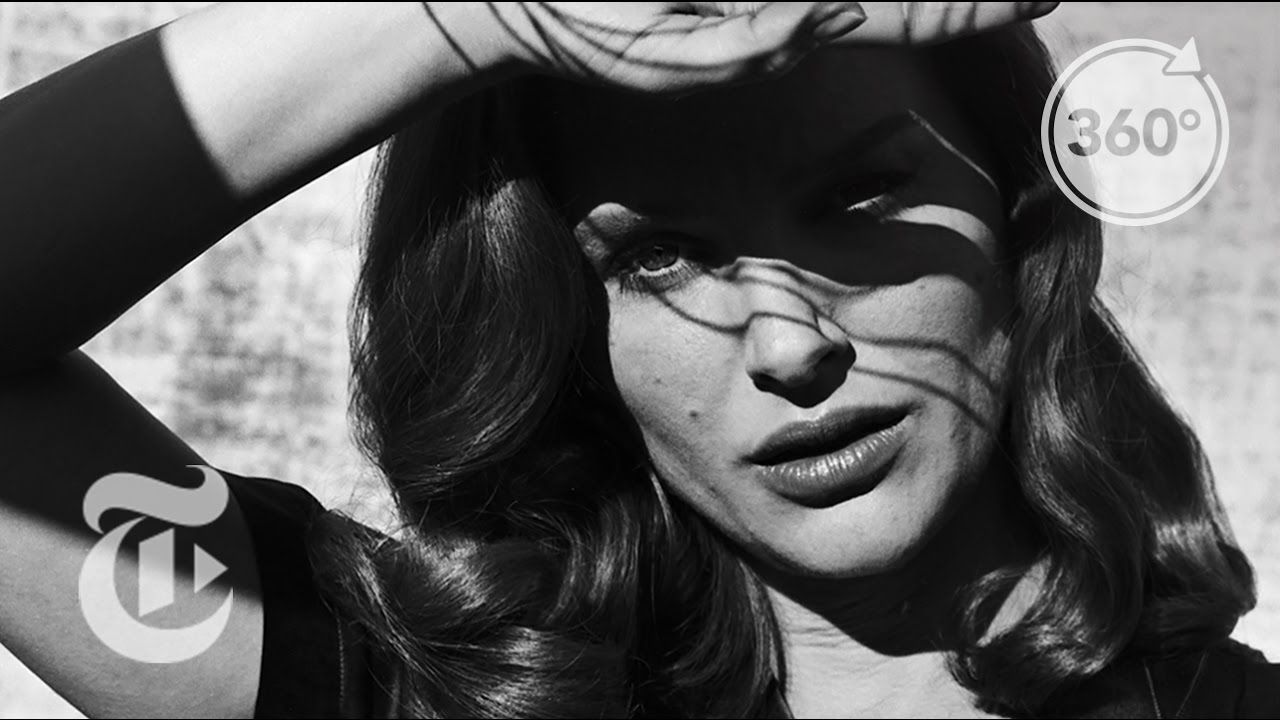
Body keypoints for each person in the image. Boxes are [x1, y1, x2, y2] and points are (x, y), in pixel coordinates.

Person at [0, 2, 1275, 717]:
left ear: (1019, 216)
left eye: (859, 199)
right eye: (657, 256)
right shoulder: (411, 697)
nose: (790, 343)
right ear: (555, 328)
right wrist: (463, 18)